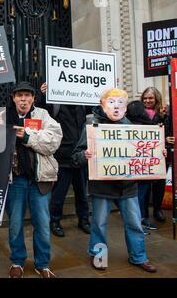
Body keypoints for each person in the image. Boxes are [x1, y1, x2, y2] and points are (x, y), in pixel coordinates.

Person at [72, 88, 157, 273]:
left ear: (125, 108)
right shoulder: (92, 126)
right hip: (101, 186)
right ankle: (99, 255)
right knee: (99, 224)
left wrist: (158, 154)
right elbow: (75, 156)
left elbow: (143, 155)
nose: (116, 107)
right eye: (111, 102)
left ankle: (139, 257)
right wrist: (83, 155)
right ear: (103, 105)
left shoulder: (131, 127)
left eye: (120, 103)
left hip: (127, 187)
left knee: (134, 223)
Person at [0, 81, 63, 278]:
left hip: (40, 179)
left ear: (33, 98)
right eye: (19, 95)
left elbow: (53, 142)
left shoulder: (43, 115)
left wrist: (26, 136)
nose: (23, 99)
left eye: (27, 95)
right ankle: (17, 261)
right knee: (15, 223)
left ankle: (43, 263)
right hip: (15, 181)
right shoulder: (2, 117)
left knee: (42, 223)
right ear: (14, 98)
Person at [37, 83, 91, 237]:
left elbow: (97, 107)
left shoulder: (81, 102)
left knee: (82, 192)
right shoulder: (55, 102)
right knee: (59, 193)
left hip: (80, 155)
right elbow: (41, 111)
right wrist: (43, 94)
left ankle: (84, 219)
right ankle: (54, 221)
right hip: (63, 155)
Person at [137, 87, 172, 226]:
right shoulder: (137, 113)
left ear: (156, 98)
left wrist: (168, 138)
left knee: (159, 185)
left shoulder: (165, 114)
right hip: (142, 156)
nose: (147, 100)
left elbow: (168, 132)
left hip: (160, 155)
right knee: (143, 186)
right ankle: (143, 214)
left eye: (150, 98)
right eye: (145, 98)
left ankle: (157, 210)